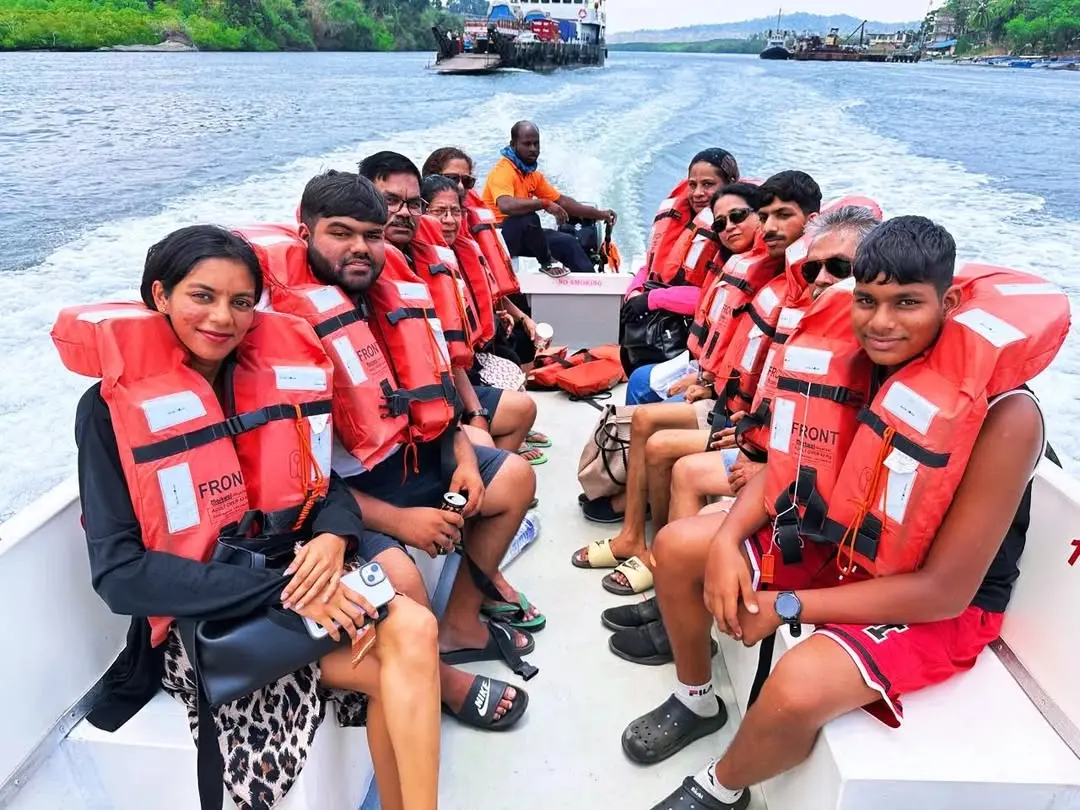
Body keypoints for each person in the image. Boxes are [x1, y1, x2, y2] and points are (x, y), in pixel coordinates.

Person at [624, 217, 1053, 810]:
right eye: (868, 301)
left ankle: (723, 788)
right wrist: (726, 541)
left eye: (907, 303)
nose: (882, 322)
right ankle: (698, 697)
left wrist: (789, 606)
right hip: (847, 546)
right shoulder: (856, 358)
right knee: (677, 547)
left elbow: (945, 592)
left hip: (941, 601)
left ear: (949, 302)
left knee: (795, 689)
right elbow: (786, 468)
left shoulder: (1007, 418)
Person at [69, 225, 440, 810]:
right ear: (160, 295)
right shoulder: (105, 411)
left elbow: (325, 481)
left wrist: (333, 537)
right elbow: (120, 575)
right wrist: (288, 592)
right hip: (207, 624)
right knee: (407, 644)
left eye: (241, 302)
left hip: (299, 583)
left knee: (413, 629)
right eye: (202, 296)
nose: (223, 318)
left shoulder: (269, 374)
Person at [297, 171, 539, 731]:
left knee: (514, 479)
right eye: (340, 233)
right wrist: (400, 521)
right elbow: (304, 481)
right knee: (402, 580)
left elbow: (439, 402)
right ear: (304, 230)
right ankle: (443, 682)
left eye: (372, 235)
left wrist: (462, 462)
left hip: (417, 460)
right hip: (351, 496)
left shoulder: (395, 298)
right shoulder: (286, 332)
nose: (361, 247)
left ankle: (461, 624)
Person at [601, 203, 883, 661]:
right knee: (667, 459)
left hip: (824, 528)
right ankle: (671, 597)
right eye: (815, 268)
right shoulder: (815, 330)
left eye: (841, 269)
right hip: (775, 473)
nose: (823, 279)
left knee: (683, 474)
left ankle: (674, 601)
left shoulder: (882, 360)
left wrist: (762, 464)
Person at [572, 183, 765, 589]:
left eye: (740, 217)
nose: (728, 226)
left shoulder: (774, 281)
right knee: (642, 413)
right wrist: (708, 378)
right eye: (721, 221)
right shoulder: (737, 265)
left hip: (742, 423)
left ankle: (659, 553)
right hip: (718, 393)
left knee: (657, 435)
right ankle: (631, 537)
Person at [359, 151, 543, 464]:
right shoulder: (355, 271)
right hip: (395, 414)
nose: (404, 212)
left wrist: (476, 412)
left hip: (443, 390)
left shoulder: (427, 258)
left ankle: (489, 481)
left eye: (412, 204)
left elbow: (446, 351)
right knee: (498, 460)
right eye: (390, 201)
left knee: (521, 408)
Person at [420, 172, 550, 462]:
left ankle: (499, 467)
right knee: (511, 369)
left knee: (516, 358)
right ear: (420, 209)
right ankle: (497, 470)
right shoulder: (414, 262)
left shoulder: (458, 252)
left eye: (456, 211)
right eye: (440, 212)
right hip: (440, 376)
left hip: (467, 358)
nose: (450, 219)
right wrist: (474, 411)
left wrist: (506, 316)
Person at [621, 149, 743, 406]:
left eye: (708, 185)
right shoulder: (683, 219)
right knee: (638, 380)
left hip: (696, 347)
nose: (698, 193)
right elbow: (652, 265)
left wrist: (654, 298)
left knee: (644, 391)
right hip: (666, 336)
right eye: (693, 185)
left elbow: (715, 297)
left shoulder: (733, 235)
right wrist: (635, 291)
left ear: (730, 185)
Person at [423, 146, 542, 368]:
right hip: (458, 347)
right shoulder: (427, 242)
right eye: (451, 178)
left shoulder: (469, 228)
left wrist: (521, 318)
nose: (459, 186)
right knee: (513, 360)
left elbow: (486, 282)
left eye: (466, 181)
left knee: (525, 342)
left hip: (486, 326)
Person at [480, 120, 617, 275]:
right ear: (513, 144)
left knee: (568, 242)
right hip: (497, 238)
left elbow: (563, 202)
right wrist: (544, 203)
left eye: (536, 144)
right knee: (528, 218)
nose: (533, 149)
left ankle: (593, 290)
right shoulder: (503, 171)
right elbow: (506, 205)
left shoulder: (532, 175)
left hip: (523, 237)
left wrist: (601, 215)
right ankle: (547, 264)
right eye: (527, 144)